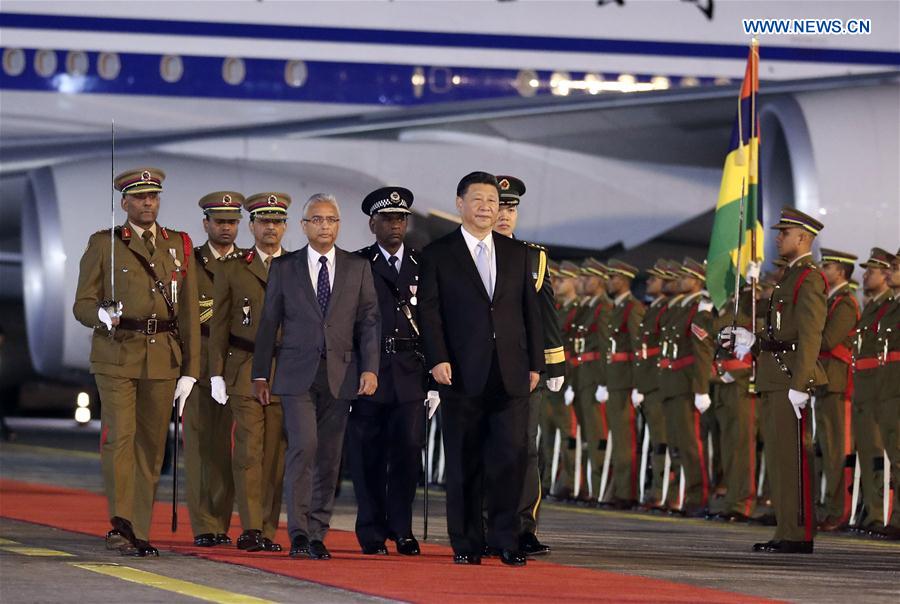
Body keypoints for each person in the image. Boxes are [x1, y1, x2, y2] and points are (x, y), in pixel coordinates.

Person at [73, 167, 200, 557]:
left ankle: (138, 530)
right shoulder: (105, 244)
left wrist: (191, 371)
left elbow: (191, 312)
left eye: (153, 196)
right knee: (120, 437)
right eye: (140, 197)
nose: (148, 203)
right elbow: (82, 304)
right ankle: (121, 523)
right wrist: (102, 316)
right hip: (117, 353)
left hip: (163, 357)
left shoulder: (178, 244)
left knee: (151, 446)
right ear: (124, 202)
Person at [418, 171, 543, 567]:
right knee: (464, 462)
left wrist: (536, 362)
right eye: (479, 199)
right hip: (460, 372)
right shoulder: (438, 253)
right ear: (460, 204)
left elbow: (530, 313)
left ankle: (506, 541)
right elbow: (430, 313)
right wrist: (437, 359)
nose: (488, 207)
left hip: (511, 372)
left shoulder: (518, 253)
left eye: (493, 201)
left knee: (510, 460)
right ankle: (468, 542)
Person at [252, 193, 380, 561]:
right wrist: (261, 373)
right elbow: (268, 324)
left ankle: (318, 532)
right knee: (303, 448)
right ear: (304, 226)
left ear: (339, 226)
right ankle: (299, 532)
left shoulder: (357, 267)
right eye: (317, 219)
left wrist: (370, 368)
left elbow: (369, 321)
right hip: (296, 375)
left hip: (341, 374)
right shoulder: (285, 267)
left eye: (331, 220)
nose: (325, 226)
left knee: (329, 456)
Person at [729, 208, 827, 554]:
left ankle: (798, 533)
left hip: (789, 379)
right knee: (778, 458)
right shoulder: (789, 277)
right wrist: (752, 339)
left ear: (803, 238)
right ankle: (786, 530)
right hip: (774, 376)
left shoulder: (809, 279)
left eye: (784, 232)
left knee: (793, 460)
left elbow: (810, 336)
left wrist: (801, 383)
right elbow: (779, 332)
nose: (777, 237)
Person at [208, 192, 291, 553]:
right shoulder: (233, 267)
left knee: (275, 456)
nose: (270, 227)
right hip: (244, 368)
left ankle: (269, 531)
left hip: (287, 370)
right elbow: (220, 325)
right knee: (248, 451)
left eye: (277, 221)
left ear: (285, 226)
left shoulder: (298, 265)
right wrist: (216, 373)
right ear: (252, 226)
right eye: (263, 221)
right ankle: (251, 528)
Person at [349, 186, 425, 556]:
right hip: (371, 371)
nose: (395, 225)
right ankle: (372, 531)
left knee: (408, 453)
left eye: (401, 218)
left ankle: (403, 529)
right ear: (372, 224)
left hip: (410, 371)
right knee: (368, 456)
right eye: (388, 218)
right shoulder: (358, 264)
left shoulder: (422, 265)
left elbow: (433, 321)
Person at [493, 175, 564, 556]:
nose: (505, 215)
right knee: (487, 447)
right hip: (482, 368)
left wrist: (556, 364)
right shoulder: (468, 254)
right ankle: (487, 524)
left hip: (525, 369)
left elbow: (546, 312)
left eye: (512, 207)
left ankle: (523, 528)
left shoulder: (534, 257)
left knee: (525, 449)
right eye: (500, 206)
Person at [184, 191, 243, 548]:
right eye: (219, 221)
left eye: (232, 221)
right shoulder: (190, 264)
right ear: (206, 223)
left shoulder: (250, 264)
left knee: (238, 450)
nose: (226, 227)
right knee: (203, 448)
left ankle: (230, 520)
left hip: (239, 365)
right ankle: (207, 523)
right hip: (202, 364)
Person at [658, 258, 714, 517]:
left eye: (684, 276)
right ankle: (679, 494)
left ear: (696, 281)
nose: (678, 280)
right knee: (676, 445)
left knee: (691, 446)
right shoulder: (677, 309)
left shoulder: (697, 310)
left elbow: (702, 353)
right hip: (671, 383)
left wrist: (701, 389)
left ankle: (697, 495)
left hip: (685, 385)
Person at [851, 248, 895, 535]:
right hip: (866, 386)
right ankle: (872, 513)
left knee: (884, 452)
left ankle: (883, 514)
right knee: (868, 452)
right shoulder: (871, 307)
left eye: (872, 271)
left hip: (883, 384)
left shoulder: (890, 305)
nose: (866, 275)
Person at [815, 248, 859, 531]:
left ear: (840, 272)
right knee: (827, 449)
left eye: (827, 266)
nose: (823, 270)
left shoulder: (844, 304)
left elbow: (829, 339)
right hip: (825, 381)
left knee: (837, 451)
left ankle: (839, 510)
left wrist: (806, 334)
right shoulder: (831, 301)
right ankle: (830, 506)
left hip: (837, 382)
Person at [598, 259, 646, 509]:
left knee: (626, 438)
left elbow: (639, 348)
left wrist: (638, 384)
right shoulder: (617, 307)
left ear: (625, 279)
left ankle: (627, 492)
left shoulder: (632, 308)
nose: (609, 281)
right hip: (616, 380)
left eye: (613, 277)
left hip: (627, 381)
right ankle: (619, 488)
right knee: (618, 438)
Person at [633, 259, 676, 511]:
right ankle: (656, 490)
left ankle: (664, 492)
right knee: (655, 442)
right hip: (649, 384)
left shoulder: (665, 310)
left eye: (654, 279)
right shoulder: (653, 309)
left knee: (662, 441)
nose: (649, 282)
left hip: (660, 385)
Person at [874, 248, 900, 539]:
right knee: (895, 454)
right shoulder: (892, 307)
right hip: (888, 387)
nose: (889, 270)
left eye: (895, 266)